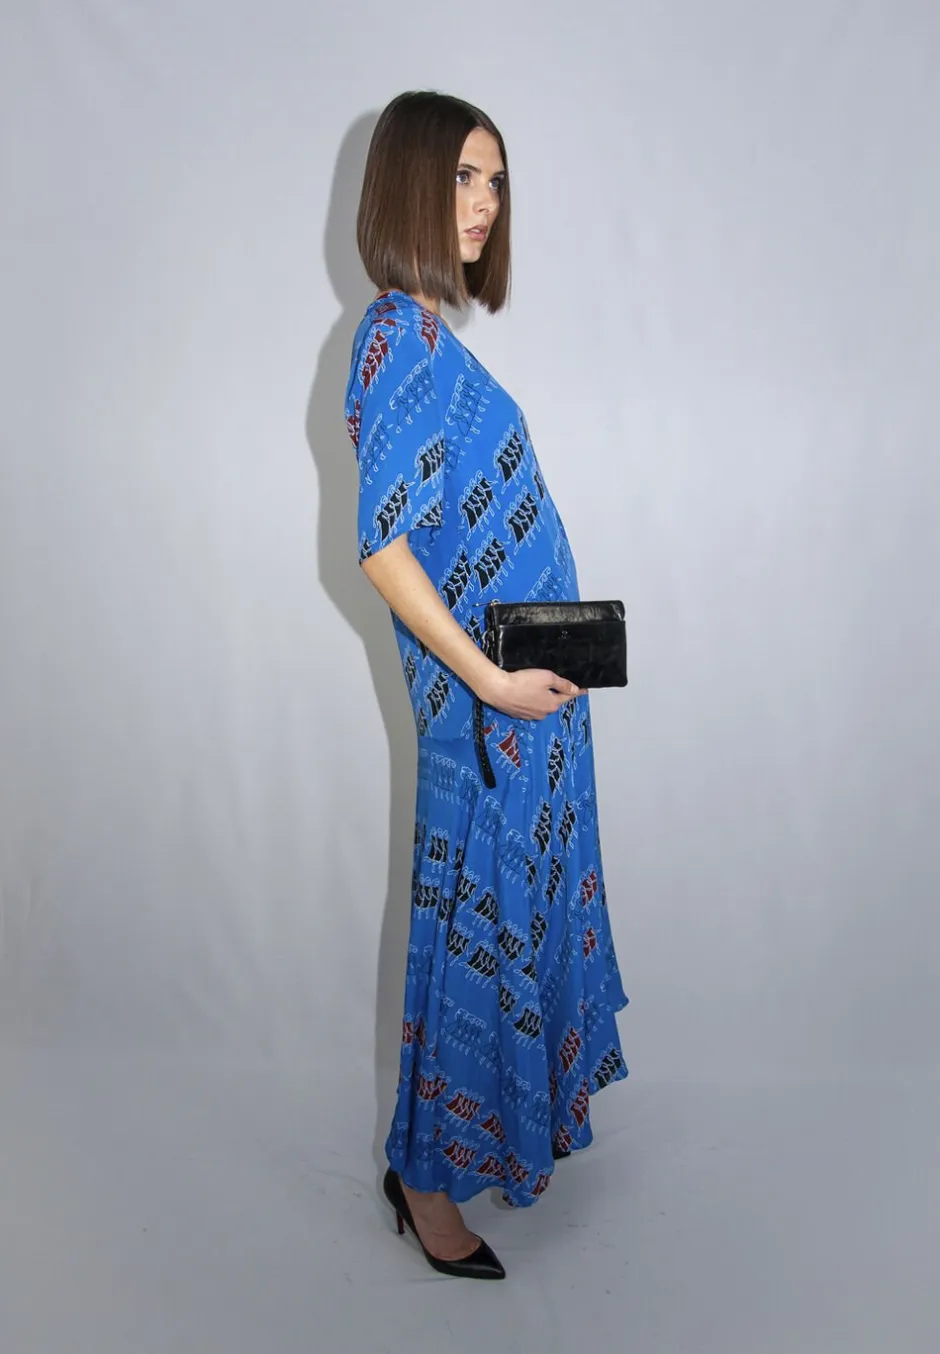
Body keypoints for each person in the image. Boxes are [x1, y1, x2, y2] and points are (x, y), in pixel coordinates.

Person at [344, 90, 629, 1280]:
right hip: (485, 716)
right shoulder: (395, 340)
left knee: (498, 924)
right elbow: (385, 549)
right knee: (469, 935)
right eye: (463, 176)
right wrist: (493, 686)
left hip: (524, 707)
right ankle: (424, 1181)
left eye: (496, 181)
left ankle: (467, 1148)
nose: (484, 204)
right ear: (407, 182)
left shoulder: (434, 342)